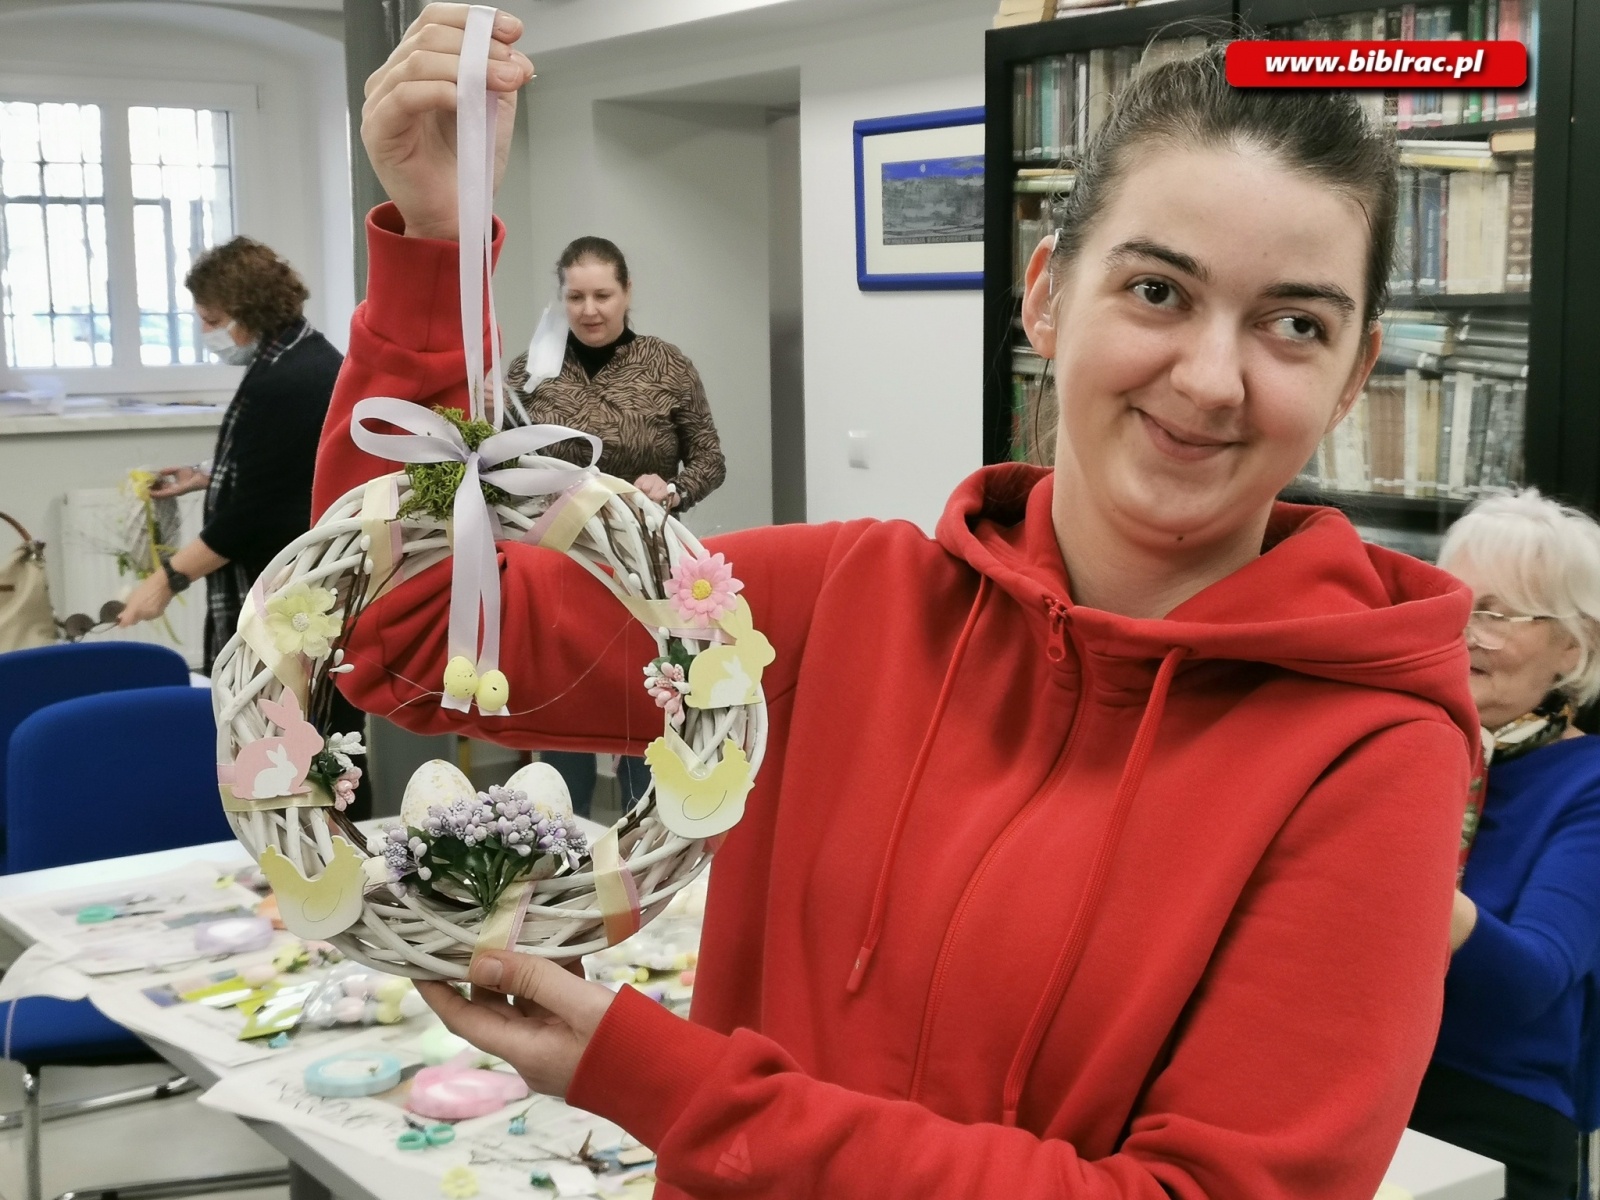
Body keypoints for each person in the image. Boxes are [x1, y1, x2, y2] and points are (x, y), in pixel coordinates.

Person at [320, 9, 1480, 1196]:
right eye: (1156, 290)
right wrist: (435, 238)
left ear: (1351, 380)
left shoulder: (1372, 756)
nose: (1211, 377)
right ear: (1045, 298)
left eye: (1295, 325)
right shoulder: (828, 606)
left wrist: (667, 1083)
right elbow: (393, 631)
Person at [1408, 490, 1600, 1200]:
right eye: (1456, 601)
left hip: (1493, 1115)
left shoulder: (1589, 782)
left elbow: (1531, 984)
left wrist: (1397, 876)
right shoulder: (1412, 749)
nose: (1467, 629)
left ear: (1575, 645)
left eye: (1497, 611)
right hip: (1354, 1081)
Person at [504, 235, 727, 816]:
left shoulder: (667, 365)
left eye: (603, 294)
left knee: (643, 701)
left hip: (642, 566)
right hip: (556, 563)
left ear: (627, 293)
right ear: (561, 299)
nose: (590, 309)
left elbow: (709, 459)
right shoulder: (531, 370)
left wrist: (674, 488)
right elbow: (497, 463)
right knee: (562, 703)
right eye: (575, 296)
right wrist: (487, 414)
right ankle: (556, 839)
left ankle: (642, 838)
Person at [119, 237, 342, 673]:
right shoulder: (302, 355)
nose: (207, 334)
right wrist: (206, 474)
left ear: (251, 312)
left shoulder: (287, 380)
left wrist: (167, 579)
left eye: (213, 321)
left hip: (282, 585)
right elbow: (285, 461)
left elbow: (253, 516)